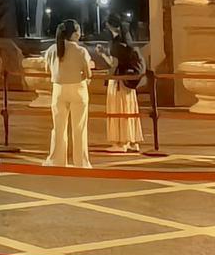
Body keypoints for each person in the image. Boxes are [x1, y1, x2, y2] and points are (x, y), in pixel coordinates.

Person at [47, 15, 95, 167]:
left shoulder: (52, 49)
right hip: (78, 89)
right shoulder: (80, 51)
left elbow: (48, 69)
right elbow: (88, 74)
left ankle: (57, 161)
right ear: (74, 33)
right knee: (79, 128)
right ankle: (81, 162)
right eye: (79, 31)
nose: (80, 34)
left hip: (58, 89)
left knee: (58, 128)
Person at [105, 20, 145, 155]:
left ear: (111, 27)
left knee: (118, 109)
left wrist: (103, 55)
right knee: (129, 109)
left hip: (118, 82)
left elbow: (113, 64)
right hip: (129, 83)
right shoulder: (130, 45)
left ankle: (120, 142)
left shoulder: (116, 45)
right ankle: (132, 141)